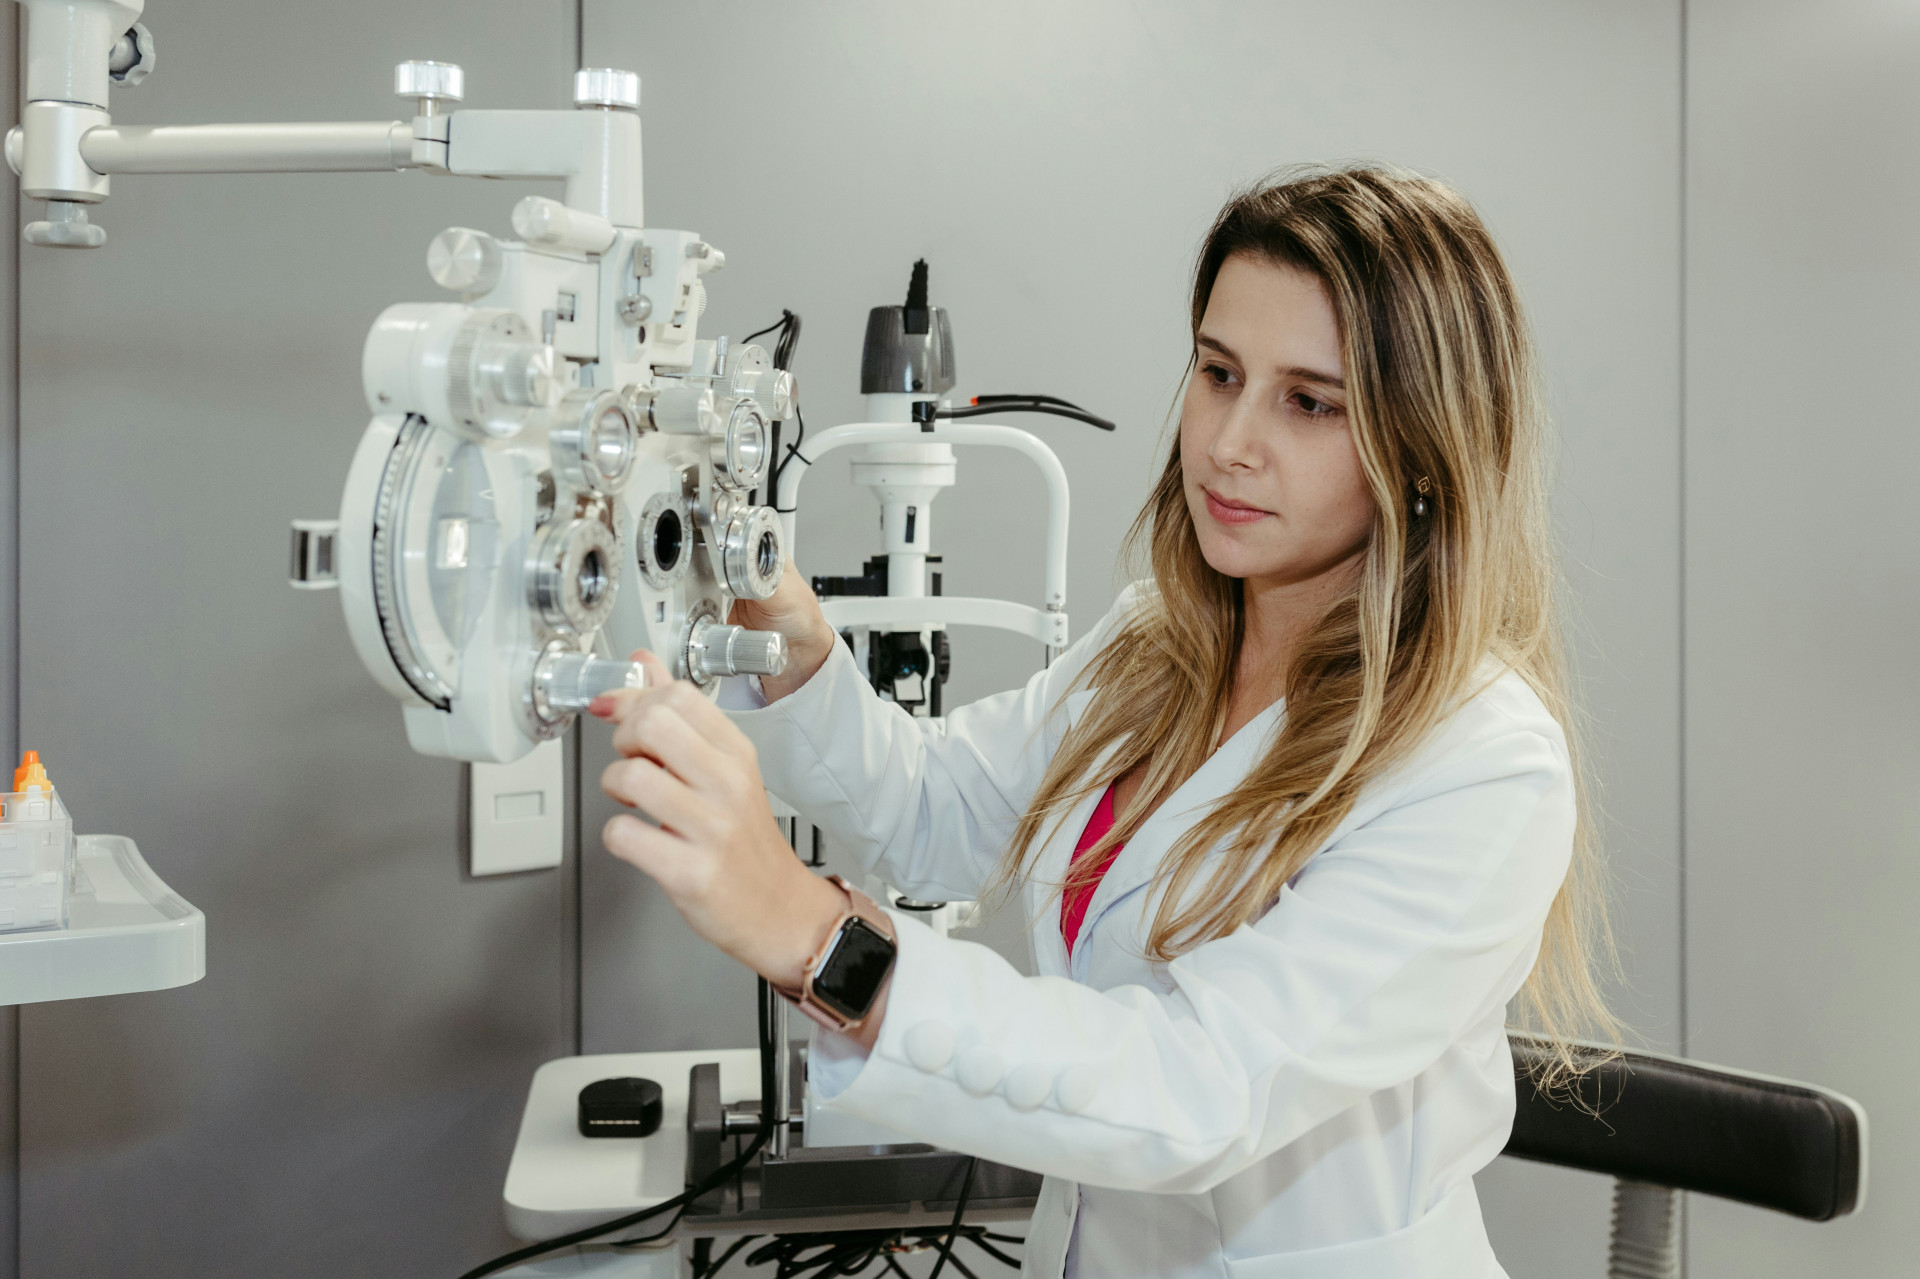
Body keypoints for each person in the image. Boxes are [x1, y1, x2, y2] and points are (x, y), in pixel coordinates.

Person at [589, 164, 1614, 1279]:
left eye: (1310, 402)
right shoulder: (1160, 641)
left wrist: (814, 935)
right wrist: (793, 650)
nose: (1229, 441)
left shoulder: (1480, 764)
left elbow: (1197, 1087)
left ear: (1423, 448)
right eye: (1219, 373)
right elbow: (936, 809)